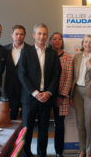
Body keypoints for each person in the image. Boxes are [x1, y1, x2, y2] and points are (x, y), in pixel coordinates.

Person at [18, 23, 61, 157]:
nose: (42, 36)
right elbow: (22, 74)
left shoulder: (52, 53)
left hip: (47, 98)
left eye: (44, 34)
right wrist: (36, 93)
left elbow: (56, 74)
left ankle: (42, 153)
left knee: (43, 129)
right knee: (27, 129)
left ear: (47, 36)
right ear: (34, 35)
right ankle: (26, 153)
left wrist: (48, 93)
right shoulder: (26, 51)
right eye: (39, 33)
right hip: (30, 97)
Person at [71, 35, 91, 157]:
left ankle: (90, 151)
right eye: (85, 42)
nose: (87, 44)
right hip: (77, 93)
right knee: (80, 123)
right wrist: (70, 95)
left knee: (89, 123)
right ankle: (82, 150)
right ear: (82, 43)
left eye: (90, 42)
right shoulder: (77, 57)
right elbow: (73, 77)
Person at [48, 32, 73, 157]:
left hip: (61, 97)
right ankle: (42, 150)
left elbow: (69, 77)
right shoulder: (45, 54)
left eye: (59, 39)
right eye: (54, 39)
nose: (57, 41)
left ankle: (59, 151)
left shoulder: (68, 57)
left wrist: (61, 96)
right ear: (50, 41)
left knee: (59, 125)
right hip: (46, 96)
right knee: (43, 125)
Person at [4, 25, 30, 120]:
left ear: (24, 36)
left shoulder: (31, 50)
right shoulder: (4, 49)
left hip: (26, 90)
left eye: (21, 34)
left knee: (27, 119)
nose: (19, 36)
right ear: (12, 35)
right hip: (9, 90)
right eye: (16, 34)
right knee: (10, 119)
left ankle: (25, 135)